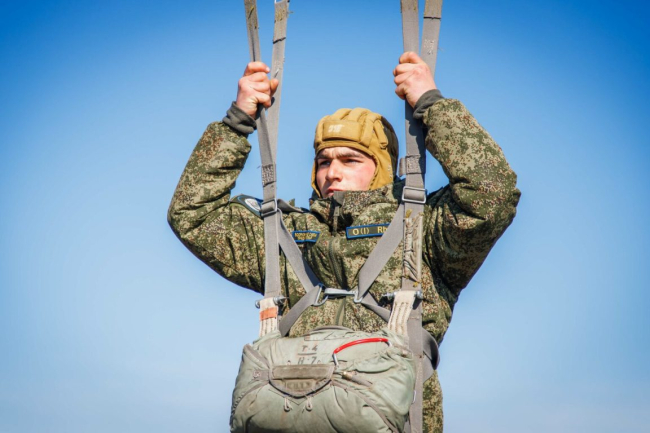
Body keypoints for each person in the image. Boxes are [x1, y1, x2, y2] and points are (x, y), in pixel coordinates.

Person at [168, 51, 520, 432]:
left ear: (381, 168)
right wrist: (237, 123)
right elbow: (191, 214)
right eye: (323, 161)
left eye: (350, 160)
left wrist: (432, 104)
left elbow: (493, 193)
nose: (332, 172)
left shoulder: (424, 230)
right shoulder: (284, 236)